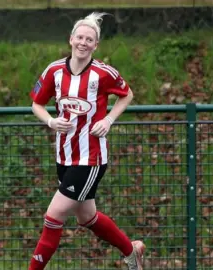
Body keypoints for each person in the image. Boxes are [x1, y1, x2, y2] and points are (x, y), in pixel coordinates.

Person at [28, 12, 145, 270]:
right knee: (87, 217)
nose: (83, 42)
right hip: (64, 156)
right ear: (71, 39)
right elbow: (37, 104)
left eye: (89, 39)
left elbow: (127, 95)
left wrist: (109, 120)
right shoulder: (54, 70)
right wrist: (50, 121)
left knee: (54, 214)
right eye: (79, 37)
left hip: (90, 158)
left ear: (96, 45)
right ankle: (131, 250)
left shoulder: (103, 73)